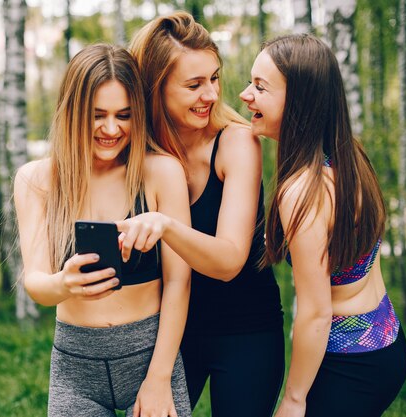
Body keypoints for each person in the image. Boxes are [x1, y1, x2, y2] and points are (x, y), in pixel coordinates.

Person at [118, 12, 284, 416]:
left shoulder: (237, 142)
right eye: (194, 85)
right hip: (171, 334)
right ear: (156, 89)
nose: (210, 95)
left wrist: (167, 226)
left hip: (246, 331)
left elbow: (229, 261)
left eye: (214, 78)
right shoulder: (138, 154)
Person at [14, 43, 192, 417]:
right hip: (75, 367)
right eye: (97, 115)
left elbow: (179, 282)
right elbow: (36, 283)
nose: (111, 129)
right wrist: (64, 284)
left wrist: (159, 380)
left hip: (150, 358)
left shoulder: (161, 172)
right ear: (73, 112)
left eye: (124, 115)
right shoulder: (36, 179)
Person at [239, 33, 406, 417]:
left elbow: (316, 311)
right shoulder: (348, 156)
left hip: (351, 362)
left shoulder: (303, 190)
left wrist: (294, 399)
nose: (245, 94)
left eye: (260, 87)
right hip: (387, 343)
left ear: (298, 100)